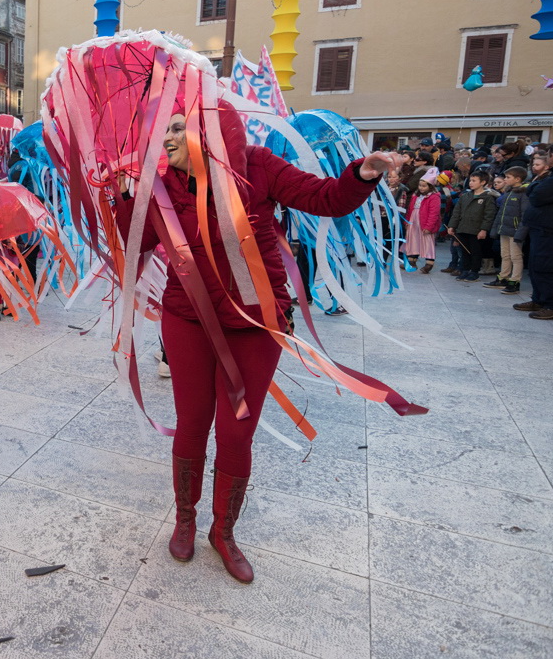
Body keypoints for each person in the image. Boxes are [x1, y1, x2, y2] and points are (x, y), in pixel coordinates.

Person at [120, 107, 399, 584]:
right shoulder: (161, 182)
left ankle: (223, 532)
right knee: (191, 423)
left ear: (207, 134)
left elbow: (326, 197)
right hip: (189, 317)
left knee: (236, 433)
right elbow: (135, 241)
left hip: (257, 322)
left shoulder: (257, 165)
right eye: (161, 130)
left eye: (175, 129)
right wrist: (128, 195)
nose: (164, 139)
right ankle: (184, 518)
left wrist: (363, 174)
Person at [514, 140, 553, 320]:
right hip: (542, 226)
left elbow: (538, 195)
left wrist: (534, 185)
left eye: (548, 155)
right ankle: (539, 299)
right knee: (536, 265)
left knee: (547, 266)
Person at [447, 170, 497, 282]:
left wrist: (484, 229)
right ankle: (465, 269)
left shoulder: (487, 198)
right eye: (470, 180)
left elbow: (489, 215)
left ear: (483, 182)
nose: (471, 183)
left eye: (474, 181)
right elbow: (457, 212)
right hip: (463, 228)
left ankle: (474, 271)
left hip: (476, 230)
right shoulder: (465, 196)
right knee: (464, 251)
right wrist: (452, 226)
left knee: (475, 252)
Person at [485, 167, 528, 294]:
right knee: (505, 255)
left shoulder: (523, 193)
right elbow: (501, 213)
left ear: (518, 179)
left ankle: (514, 281)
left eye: (508, 177)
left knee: (516, 256)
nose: (505, 179)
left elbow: (525, 214)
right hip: (505, 228)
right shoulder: (508, 192)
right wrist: (495, 228)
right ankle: (503, 277)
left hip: (515, 230)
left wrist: (520, 232)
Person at [403, 177, 441, 273]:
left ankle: (429, 263)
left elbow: (434, 213)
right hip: (414, 222)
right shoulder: (416, 196)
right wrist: (407, 221)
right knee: (413, 241)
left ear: (431, 186)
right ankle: (412, 261)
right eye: (420, 185)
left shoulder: (434, 197)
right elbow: (410, 210)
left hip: (424, 223)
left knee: (427, 242)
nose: (421, 188)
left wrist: (429, 226)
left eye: (424, 186)